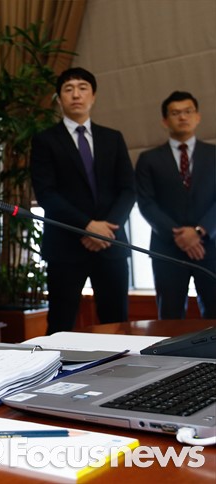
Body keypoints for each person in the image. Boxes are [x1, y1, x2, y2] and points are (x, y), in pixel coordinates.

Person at [30, 67, 136, 334]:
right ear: (59, 99)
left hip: (110, 244)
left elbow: (128, 190)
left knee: (117, 322)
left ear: (93, 96)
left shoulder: (113, 138)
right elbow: (46, 193)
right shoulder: (44, 141)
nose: (76, 94)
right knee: (61, 323)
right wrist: (87, 226)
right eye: (68, 89)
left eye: (82, 88)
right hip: (65, 246)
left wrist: (105, 229)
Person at [135, 91, 216, 319]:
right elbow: (146, 203)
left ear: (197, 117)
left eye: (188, 111)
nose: (182, 117)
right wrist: (179, 235)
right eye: (175, 113)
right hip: (167, 250)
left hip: (210, 247)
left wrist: (199, 231)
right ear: (165, 120)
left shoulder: (214, 155)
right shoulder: (148, 159)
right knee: (170, 317)